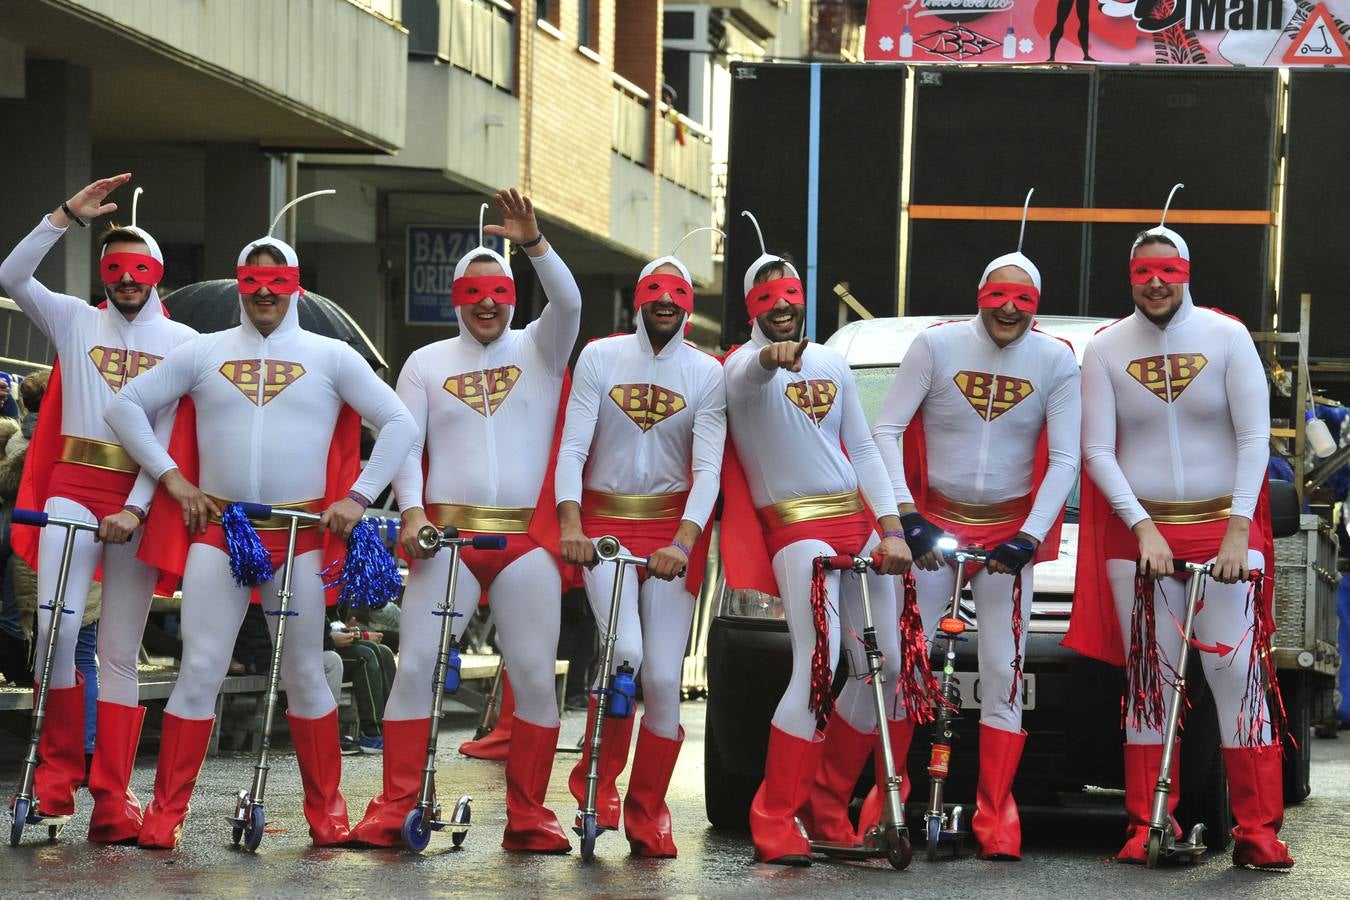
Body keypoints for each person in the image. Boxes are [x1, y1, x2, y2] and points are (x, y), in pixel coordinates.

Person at [105, 215, 417, 849]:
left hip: (300, 535)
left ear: (295, 285)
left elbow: (401, 424)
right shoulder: (203, 351)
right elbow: (124, 406)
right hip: (220, 531)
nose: (264, 292)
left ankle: (326, 812)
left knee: (305, 671)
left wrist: (357, 498)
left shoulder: (331, 356)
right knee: (200, 669)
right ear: (239, 285)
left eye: (277, 281)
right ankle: (166, 814)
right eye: (253, 280)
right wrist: (173, 481)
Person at [351, 188, 582, 852]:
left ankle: (531, 815)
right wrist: (414, 512)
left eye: (500, 290)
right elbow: (405, 441)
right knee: (417, 662)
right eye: (475, 291)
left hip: (526, 542)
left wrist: (535, 244)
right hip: (444, 539)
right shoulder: (425, 363)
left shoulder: (542, 348)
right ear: (457, 298)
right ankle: (395, 804)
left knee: (536, 674)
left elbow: (567, 302)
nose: (487, 301)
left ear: (513, 294)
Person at [1064, 223, 1291, 868]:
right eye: (1142, 271)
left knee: (1238, 679)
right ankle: (1147, 823)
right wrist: (1141, 528)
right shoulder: (1106, 348)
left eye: (1167, 269)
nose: (1156, 281)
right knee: (1149, 687)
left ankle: (1257, 830)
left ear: (1185, 272)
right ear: (1130, 276)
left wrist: (1238, 531)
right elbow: (1098, 450)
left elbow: (1254, 440)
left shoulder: (1227, 336)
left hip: (1225, 533)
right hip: (1143, 542)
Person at [0, 173, 196, 842]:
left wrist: (139, 508)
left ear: (157, 274)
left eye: (138, 268)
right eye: (115, 268)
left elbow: (169, 440)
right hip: (71, 489)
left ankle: (113, 796)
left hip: (138, 499)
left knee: (116, 651)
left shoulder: (184, 343)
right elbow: (13, 273)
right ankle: (56, 778)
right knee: (53, 631)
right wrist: (64, 216)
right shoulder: (74, 318)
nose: (126, 279)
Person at [867, 249, 1080, 860]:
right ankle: (888, 803)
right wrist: (906, 517)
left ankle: (997, 815)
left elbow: (1065, 458)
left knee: (1004, 672)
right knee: (907, 668)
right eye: (998, 295)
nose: (1009, 308)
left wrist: (1030, 537)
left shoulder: (1056, 361)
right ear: (980, 293)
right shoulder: (934, 347)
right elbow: (884, 430)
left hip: (1007, 542)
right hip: (932, 531)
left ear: (1035, 305)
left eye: (1023, 299)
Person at [720, 213, 910, 865]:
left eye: (791, 295)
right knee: (819, 661)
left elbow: (861, 444)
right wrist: (768, 359)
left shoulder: (832, 361)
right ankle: (773, 812)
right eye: (767, 297)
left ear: (805, 296)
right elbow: (752, 382)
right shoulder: (740, 367)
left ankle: (827, 802)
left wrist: (890, 525)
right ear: (751, 308)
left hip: (858, 525)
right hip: (795, 529)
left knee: (883, 667)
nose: (781, 306)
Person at [555, 233, 727, 857]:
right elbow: (572, 446)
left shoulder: (707, 373)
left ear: (688, 303)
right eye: (654, 290)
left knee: (660, 675)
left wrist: (684, 542)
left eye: (676, 293)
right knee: (623, 650)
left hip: (671, 536)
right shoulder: (599, 357)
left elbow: (708, 471)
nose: (665, 302)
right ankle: (594, 787)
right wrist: (571, 527)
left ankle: (649, 811)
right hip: (602, 529)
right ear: (638, 298)